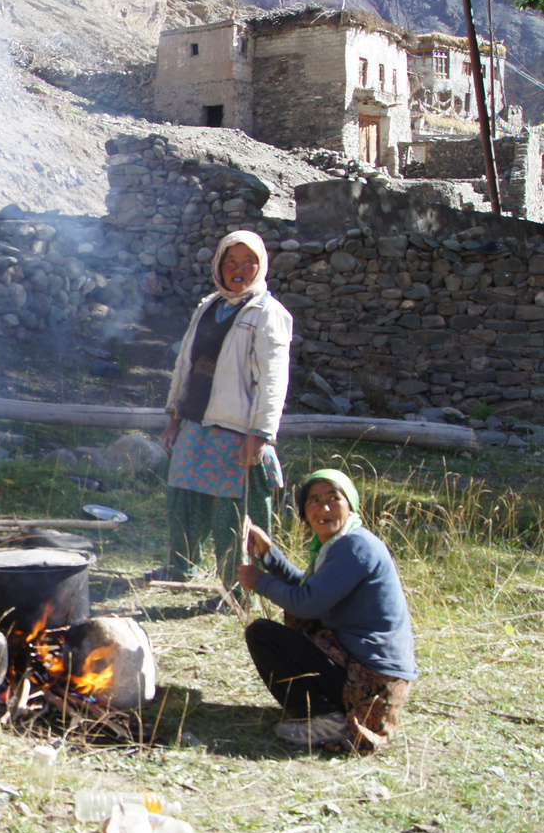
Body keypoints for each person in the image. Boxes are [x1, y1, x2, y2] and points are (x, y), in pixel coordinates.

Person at [237, 469, 417, 752]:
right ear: (304, 512)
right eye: (314, 500)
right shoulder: (338, 545)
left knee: (263, 635)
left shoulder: (356, 546)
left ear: (351, 505)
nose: (324, 507)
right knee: (297, 624)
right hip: (365, 671)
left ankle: (330, 720)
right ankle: (328, 710)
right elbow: (309, 589)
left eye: (334, 498)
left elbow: (307, 603)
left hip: (372, 681)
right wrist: (269, 556)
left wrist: (260, 581)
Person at [153, 230, 291, 597]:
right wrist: (174, 418)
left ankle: (241, 590)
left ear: (261, 267)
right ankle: (181, 568)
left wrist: (259, 435)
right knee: (183, 499)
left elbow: (273, 380)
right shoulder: (211, 305)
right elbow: (187, 363)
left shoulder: (268, 313)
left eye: (249, 262)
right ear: (219, 265)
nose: (239, 269)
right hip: (195, 424)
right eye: (231, 261)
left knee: (233, 515)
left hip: (236, 430)